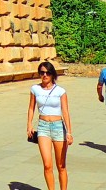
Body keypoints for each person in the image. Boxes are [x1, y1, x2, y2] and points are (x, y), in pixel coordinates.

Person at [27, 61, 73, 190]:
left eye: (47, 73)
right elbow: (31, 108)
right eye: (42, 73)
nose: (45, 75)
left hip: (58, 127)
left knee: (61, 165)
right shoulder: (35, 89)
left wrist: (69, 132)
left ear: (52, 74)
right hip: (43, 127)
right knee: (47, 165)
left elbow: (65, 112)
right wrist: (29, 125)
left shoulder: (60, 91)